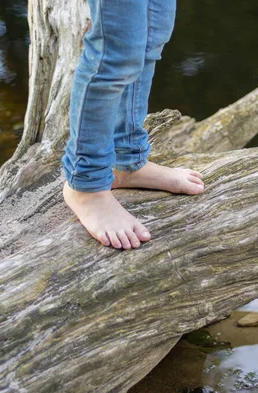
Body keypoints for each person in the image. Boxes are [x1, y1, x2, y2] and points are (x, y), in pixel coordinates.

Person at [61, 0, 205, 250]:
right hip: (87, 181)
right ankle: (86, 183)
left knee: (151, 34)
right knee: (115, 52)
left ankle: (125, 160)